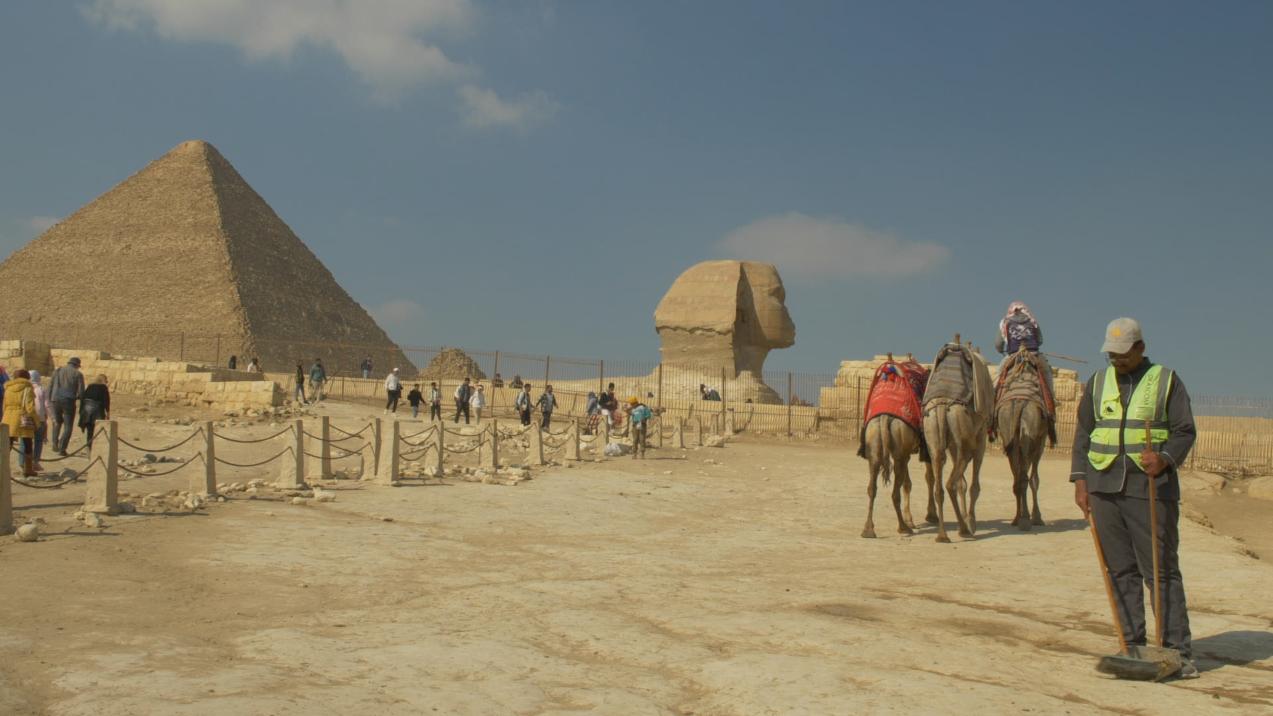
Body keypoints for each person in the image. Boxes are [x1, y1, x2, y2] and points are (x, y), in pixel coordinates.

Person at [1072, 318, 1198, 680]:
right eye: (1111, 354)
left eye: (1123, 354)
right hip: (1103, 487)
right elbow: (1084, 432)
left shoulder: (1167, 381)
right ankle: (1131, 646)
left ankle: (1178, 652)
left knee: (1160, 572)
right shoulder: (1097, 383)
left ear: (1140, 348)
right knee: (1120, 571)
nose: (1116, 360)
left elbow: (1184, 430)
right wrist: (1081, 481)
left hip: (1150, 489)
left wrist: (1165, 457)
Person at [994, 301, 1056, 440]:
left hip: (1013, 356)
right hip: (1034, 355)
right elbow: (1040, 340)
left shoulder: (1005, 321)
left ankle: (993, 407)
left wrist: (1002, 350)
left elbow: (998, 344)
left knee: (999, 376)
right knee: (1047, 375)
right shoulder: (1032, 320)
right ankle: (1051, 404)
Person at [4, 369, 39, 476]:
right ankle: (28, 470)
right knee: (28, 443)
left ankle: (2, 469)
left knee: (6, 445)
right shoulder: (27, 388)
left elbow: (4, 404)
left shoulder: (8, 388)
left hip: (8, 417)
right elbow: (30, 408)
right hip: (23, 417)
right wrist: (37, 422)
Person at [49, 356, 84, 456]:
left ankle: (55, 444)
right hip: (68, 401)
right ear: (77, 365)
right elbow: (81, 392)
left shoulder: (58, 371)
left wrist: (50, 398)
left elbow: (51, 385)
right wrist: (79, 400)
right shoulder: (78, 374)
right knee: (68, 426)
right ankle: (62, 448)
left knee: (57, 422)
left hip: (55, 399)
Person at [18, 369, 49, 474]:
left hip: (25, 418)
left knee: (24, 441)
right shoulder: (41, 389)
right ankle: (35, 462)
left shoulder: (22, 388)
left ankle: (22, 462)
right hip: (38, 418)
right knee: (38, 441)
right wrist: (49, 417)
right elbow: (45, 405)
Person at [80, 374, 111, 452]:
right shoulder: (103, 388)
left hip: (87, 410)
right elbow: (106, 401)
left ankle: (89, 446)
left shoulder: (90, 386)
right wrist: (108, 412)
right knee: (97, 429)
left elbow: (83, 398)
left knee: (89, 430)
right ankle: (94, 447)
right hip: (97, 411)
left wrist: (81, 411)